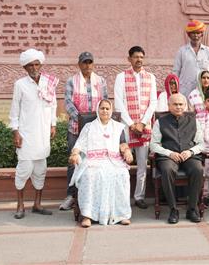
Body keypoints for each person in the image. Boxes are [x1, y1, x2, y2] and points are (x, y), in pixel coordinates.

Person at [9, 49, 58, 219]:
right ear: (25, 67)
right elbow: (14, 111)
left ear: (41, 65)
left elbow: (53, 106)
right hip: (26, 135)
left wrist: (53, 125)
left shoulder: (49, 82)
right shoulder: (20, 84)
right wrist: (15, 132)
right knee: (24, 170)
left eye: (36, 64)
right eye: (30, 65)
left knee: (40, 170)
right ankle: (20, 205)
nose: (34, 67)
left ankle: (37, 204)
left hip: (43, 134)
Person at [69, 99, 134, 227]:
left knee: (122, 174)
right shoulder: (89, 127)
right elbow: (79, 144)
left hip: (113, 160)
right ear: (98, 110)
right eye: (102, 108)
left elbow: (123, 144)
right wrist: (75, 154)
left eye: (107, 109)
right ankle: (87, 215)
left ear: (111, 111)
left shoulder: (118, 127)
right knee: (89, 174)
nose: (105, 111)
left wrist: (127, 152)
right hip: (93, 161)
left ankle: (121, 215)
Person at [60, 52, 108, 211]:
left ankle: (93, 196)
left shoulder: (100, 81)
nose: (87, 65)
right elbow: (68, 103)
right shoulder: (71, 81)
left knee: (94, 161)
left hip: (95, 129)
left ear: (93, 64)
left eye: (90, 62)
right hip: (76, 128)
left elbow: (104, 103)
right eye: (84, 63)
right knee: (74, 162)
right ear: (79, 64)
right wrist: (81, 120)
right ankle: (71, 196)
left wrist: (96, 122)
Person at [150, 93, 205, 224]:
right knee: (167, 170)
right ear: (169, 106)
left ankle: (192, 209)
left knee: (198, 169)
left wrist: (190, 152)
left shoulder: (194, 121)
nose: (178, 107)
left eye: (181, 104)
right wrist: (169, 153)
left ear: (185, 106)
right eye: (175, 104)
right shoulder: (160, 122)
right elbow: (153, 145)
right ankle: (173, 209)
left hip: (188, 155)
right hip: (169, 156)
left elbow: (201, 144)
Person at [114, 46, 157, 210]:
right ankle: (122, 196)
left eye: (141, 57)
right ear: (129, 59)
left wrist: (143, 123)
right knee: (123, 164)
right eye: (135, 57)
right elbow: (119, 103)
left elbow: (152, 102)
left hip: (144, 128)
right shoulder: (121, 77)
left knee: (142, 165)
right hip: (126, 127)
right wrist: (131, 124)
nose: (139, 60)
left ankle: (139, 197)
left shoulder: (150, 77)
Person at [173, 20, 209, 98]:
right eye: (193, 33)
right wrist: (175, 89)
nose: (196, 35)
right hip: (185, 91)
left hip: (204, 91)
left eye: (198, 32)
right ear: (189, 35)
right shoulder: (182, 51)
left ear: (202, 34)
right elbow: (176, 71)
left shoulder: (208, 51)